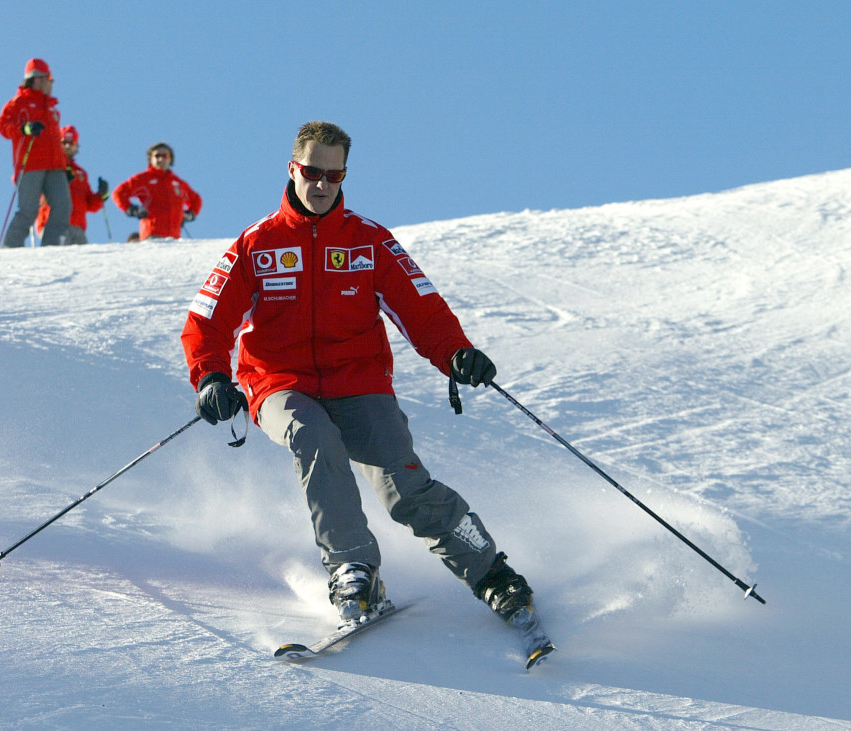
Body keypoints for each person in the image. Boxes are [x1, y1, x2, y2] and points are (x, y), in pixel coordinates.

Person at [180, 121, 541, 633]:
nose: (322, 184)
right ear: (292, 169)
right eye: (312, 172)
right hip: (280, 383)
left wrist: (457, 352)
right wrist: (212, 377)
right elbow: (207, 321)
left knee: (405, 488)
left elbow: (422, 309)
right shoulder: (256, 245)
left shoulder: (369, 242)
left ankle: (493, 575)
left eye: (334, 174)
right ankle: (353, 568)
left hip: (360, 383)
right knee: (314, 436)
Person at [0, 58, 71, 247]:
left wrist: (65, 166)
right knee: (28, 211)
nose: (52, 83)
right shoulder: (18, 103)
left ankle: (52, 246)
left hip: (55, 166)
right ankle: (10, 246)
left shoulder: (51, 107)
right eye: (50, 78)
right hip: (31, 164)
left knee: (63, 206)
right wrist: (25, 129)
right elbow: (3, 126)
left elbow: (55, 140)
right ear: (37, 79)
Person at [35, 125, 109, 245]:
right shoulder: (49, 165)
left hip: (77, 227)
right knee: (58, 259)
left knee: (84, 261)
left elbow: (90, 204)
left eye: (71, 142)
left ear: (76, 146)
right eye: (64, 142)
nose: (68, 146)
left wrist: (102, 195)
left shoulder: (81, 173)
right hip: (53, 224)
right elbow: (38, 192)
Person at [111, 143, 202, 240]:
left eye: (165, 156)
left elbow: (196, 200)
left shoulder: (178, 183)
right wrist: (132, 209)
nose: (161, 159)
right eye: (157, 156)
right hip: (152, 235)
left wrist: (190, 214)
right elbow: (119, 193)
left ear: (170, 159)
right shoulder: (143, 179)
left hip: (175, 238)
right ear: (150, 159)